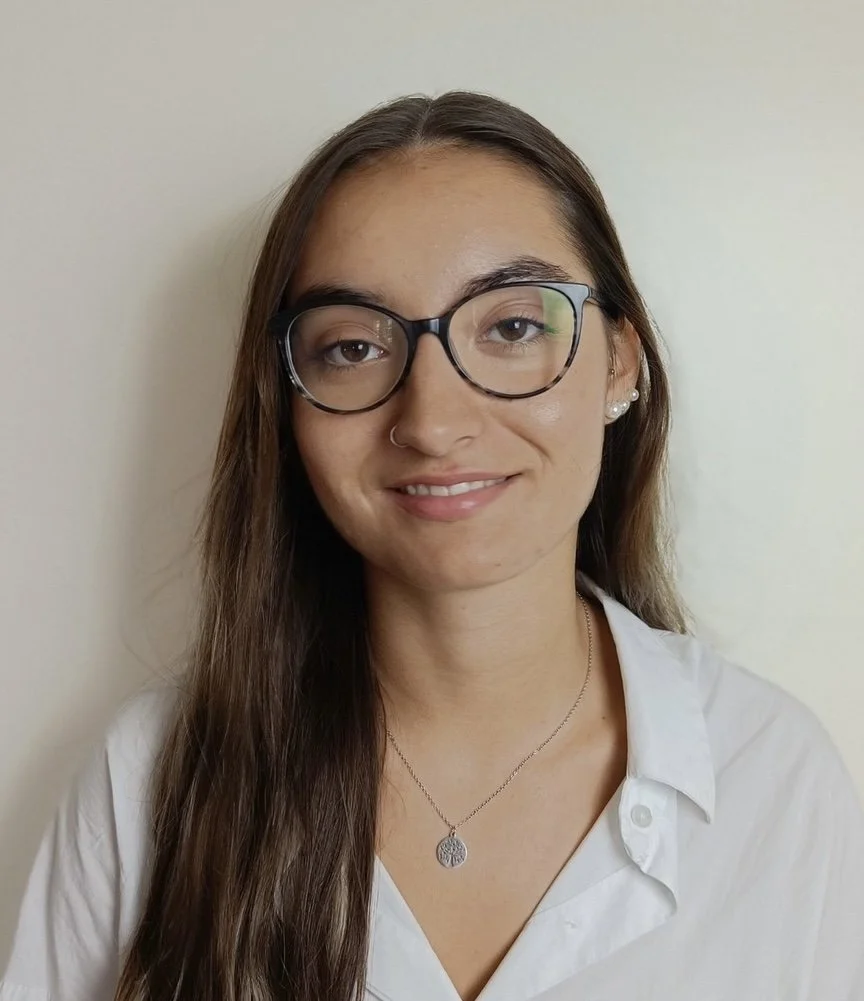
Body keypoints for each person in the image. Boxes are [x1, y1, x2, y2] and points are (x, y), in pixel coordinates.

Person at [2, 90, 862, 1001]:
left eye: (513, 327)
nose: (434, 419)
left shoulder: (771, 776)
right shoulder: (154, 781)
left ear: (619, 360)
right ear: (286, 403)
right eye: (353, 347)